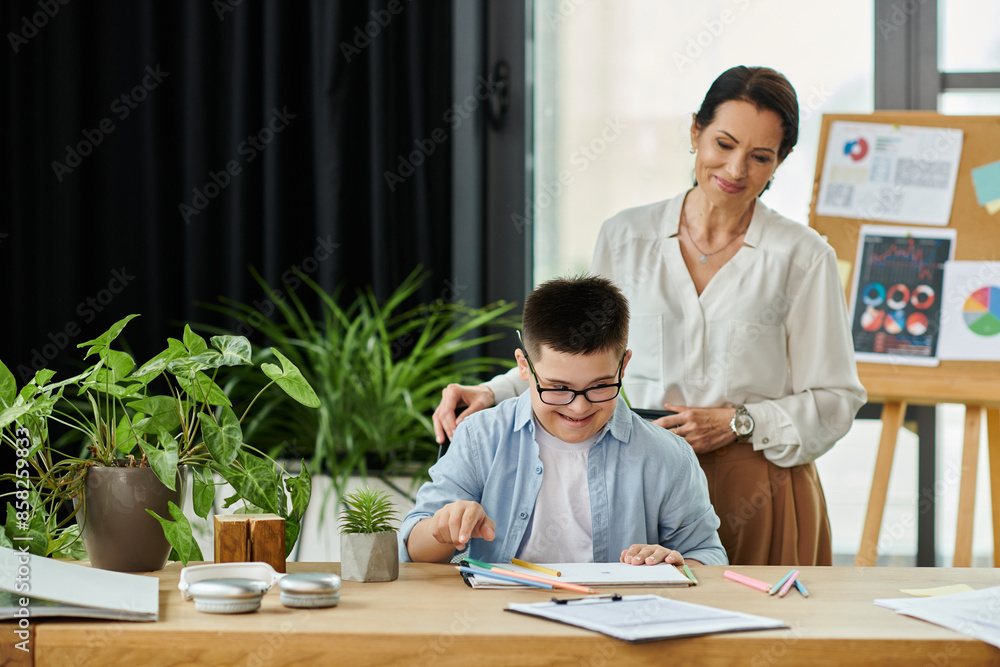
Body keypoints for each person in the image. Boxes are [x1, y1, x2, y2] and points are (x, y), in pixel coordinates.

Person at [432, 66, 867, 566]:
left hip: (758, 481)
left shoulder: (803, 256)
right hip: (640, 477)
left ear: (780, 161)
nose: (735, 169)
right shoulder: (626, 236)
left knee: (759, 635)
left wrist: (740, 422)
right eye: (723, 144)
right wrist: (491, 392)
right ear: (694, 132)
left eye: (760, 156)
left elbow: (837, 399)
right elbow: (584, 353)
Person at [401, 275, 727, 567]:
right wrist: (441, 528)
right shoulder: (480, 437)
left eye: (600, 386)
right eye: (558, 388)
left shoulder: (666, 455)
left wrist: (674, 564)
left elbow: (708, 556)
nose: (579, 408)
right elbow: (414, 548)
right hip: (499, 620)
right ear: (524, 366)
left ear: (623, 366)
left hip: (615, 620)